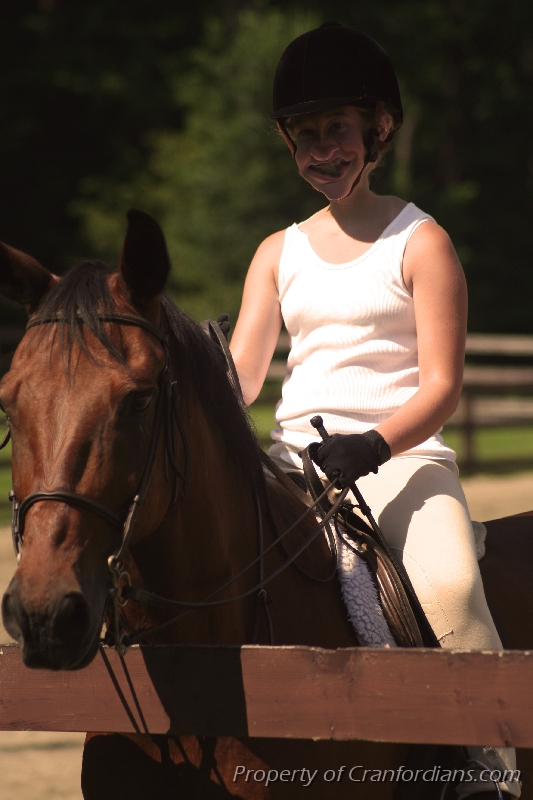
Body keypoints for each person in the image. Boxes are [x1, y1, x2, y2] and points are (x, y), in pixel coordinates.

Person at [229, 22, 520, 799]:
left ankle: (487, 774)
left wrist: (374, 444)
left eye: (336, 130)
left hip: (400, 460)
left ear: (378, 129)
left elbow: (441, 386)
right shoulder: (277, 251)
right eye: (304, 136)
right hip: (295, 464)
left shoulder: (420, 241)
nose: (321, 151)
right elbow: (244, 375)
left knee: (450, 586)